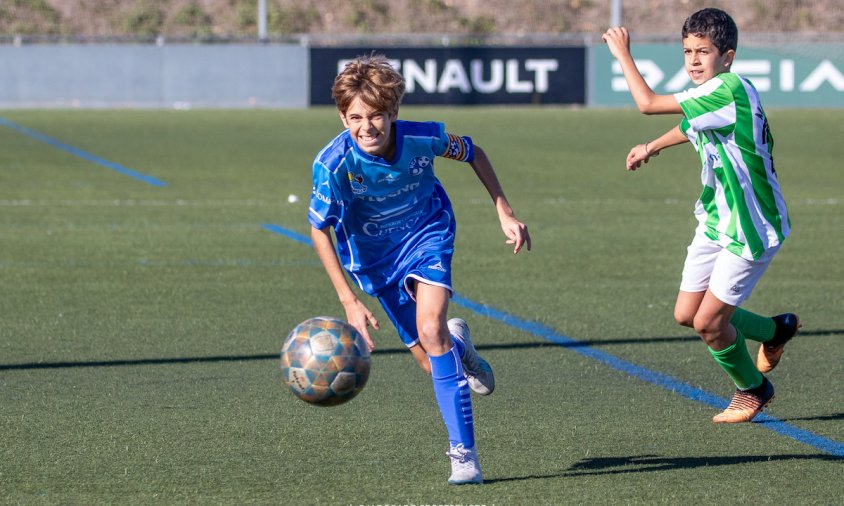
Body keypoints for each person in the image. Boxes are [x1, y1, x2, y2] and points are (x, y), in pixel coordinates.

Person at [308, 54, 531, 483]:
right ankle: (460, 345)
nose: (366, 127)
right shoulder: (332, 166)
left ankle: (464, 456)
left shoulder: (423, 138)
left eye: (376, 115)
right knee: (433, 361)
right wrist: (349, 302)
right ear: (342, 117)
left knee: (431, 329)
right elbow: (320, 230)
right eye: (355, 117)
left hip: (428, 234)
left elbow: (473, 152)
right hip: (376, 263)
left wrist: (504, 211)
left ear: (393, 113)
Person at [602, 8, 800, 423]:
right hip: (716, 218)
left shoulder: (728, 89)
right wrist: (652, 147)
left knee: (709, 324)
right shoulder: (714, 93)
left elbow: (648, 103)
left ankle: (754, 389)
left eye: (703, 52)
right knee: (685, 314)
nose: (693, 60)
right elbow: (692, 126)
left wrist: (622, 54)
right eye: (688, 51)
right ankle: (774, 330)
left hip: (752, 225)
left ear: (726, 56)